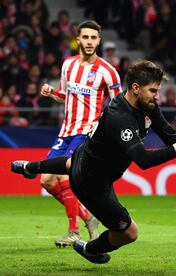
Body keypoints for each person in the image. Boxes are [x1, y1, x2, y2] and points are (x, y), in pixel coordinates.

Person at [11, 60, 176, 264]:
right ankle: (90, 249)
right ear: (136, 88)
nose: (157, 96)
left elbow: (169, 135)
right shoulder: (119, 117)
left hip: (86, 157)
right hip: (91, 186)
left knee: (70, 163)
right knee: (129, 233)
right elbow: (143, 159)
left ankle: (30, 167)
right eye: (153, 91)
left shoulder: (146, 105)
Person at [38, 20, 122, 247]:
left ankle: (73, 231)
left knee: (65, 175)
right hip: (65, 131)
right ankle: (88, 216)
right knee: (46, 180)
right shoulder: (68, 65)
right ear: (78, 40)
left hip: (87, 133)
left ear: (99, 41)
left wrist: (110, 134)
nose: (89, 42)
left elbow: (119, 107)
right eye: (85, 37)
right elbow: (66, 96)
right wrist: (51, 93)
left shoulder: (108, 72)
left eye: (93, 38)